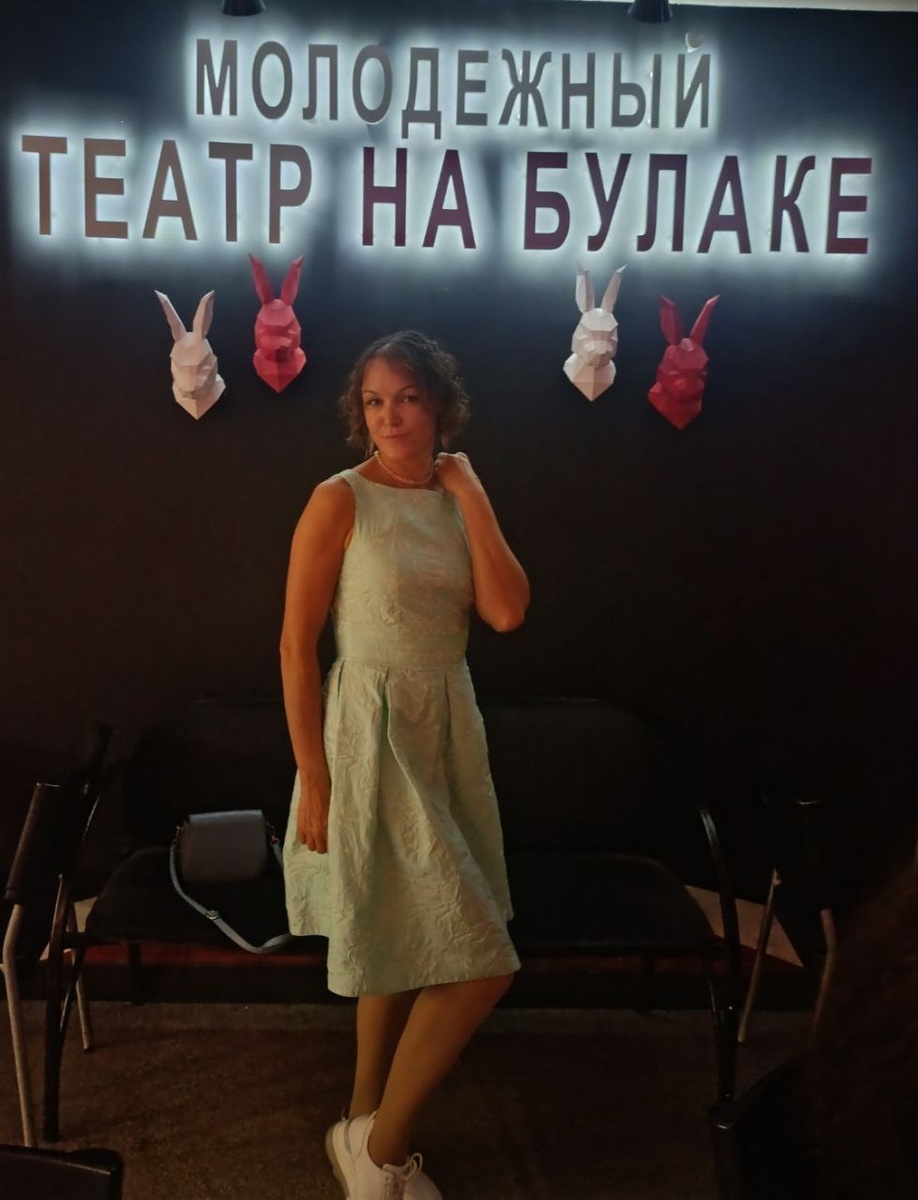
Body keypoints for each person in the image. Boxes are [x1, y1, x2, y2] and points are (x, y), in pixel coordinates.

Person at [280, 330, 530, 1200]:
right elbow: (295, 648)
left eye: (408, 398)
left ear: (440, 407)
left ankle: (362, 1135)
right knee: (479, 962)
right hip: (368, 731)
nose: (389, 417)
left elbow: (506, 612)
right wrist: (316, 778)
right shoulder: (338, 498)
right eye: (375, 401)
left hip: (445, 730)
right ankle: (382, 1150)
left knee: (400, 935)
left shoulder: (459, 497)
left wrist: (471, 490)